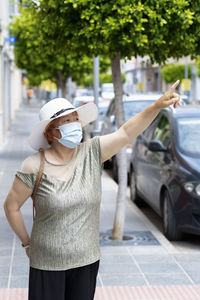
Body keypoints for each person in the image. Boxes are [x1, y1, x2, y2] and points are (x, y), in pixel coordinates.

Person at [3, 80, 181, 300]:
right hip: (47, 264)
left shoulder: (93, 152)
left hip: (86, 262)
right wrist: (27, 243)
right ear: (51, 133)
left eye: (75, 119)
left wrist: (156, 106)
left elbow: (126, 133)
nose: (74, 125)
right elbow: (11, 206)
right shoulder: (33, 165)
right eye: (66, 121)